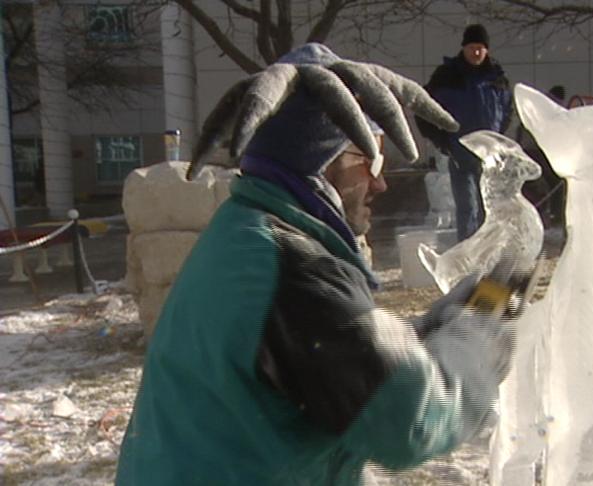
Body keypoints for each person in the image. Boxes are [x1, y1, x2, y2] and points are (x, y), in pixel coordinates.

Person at [116, 44, 515, 485]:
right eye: (369, 159)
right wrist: (480, 335)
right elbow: (410, 421)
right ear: (317, 164)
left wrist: (439, 327)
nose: (380, 183)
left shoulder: (246, 234)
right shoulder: (290, 267)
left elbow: (343, 364)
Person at [417, 23, 512, 241]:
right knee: (468, 208)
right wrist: (441, 140)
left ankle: (488, 253)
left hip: (489, 155)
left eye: (480, 48)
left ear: (487, 50)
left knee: (490, 208)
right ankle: (469, 255)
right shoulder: (446, 76)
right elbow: (422, 108)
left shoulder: (497, 77)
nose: (476, 52)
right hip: (460, 154)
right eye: (472, 48)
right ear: (463, 48)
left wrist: (499, 137)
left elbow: (508, 110)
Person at [516, 85, 567, 227]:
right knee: (554, 184)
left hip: (529, 152)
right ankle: (555, 216)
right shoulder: (554, 112)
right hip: (539, 153)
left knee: (539, 186)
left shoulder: (537, 108)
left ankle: (547, 216)